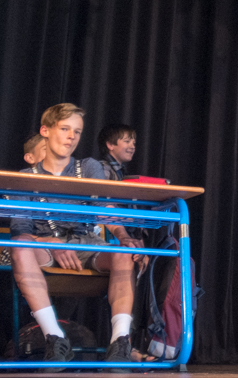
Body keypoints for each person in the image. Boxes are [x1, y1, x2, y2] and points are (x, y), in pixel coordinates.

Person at [10, 103, 145, 371]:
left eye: (77, 131)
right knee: (20, 247)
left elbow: (104, 208)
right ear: (45, 131)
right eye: (64, 129)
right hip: (45, 247)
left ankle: (120, 342)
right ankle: (55, 340)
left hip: (87, 244)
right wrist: (48, 242)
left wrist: (123, 236)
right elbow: (20, 228)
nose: (71, 136)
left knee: (123, 253)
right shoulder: (25, 177)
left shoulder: (89, 166)